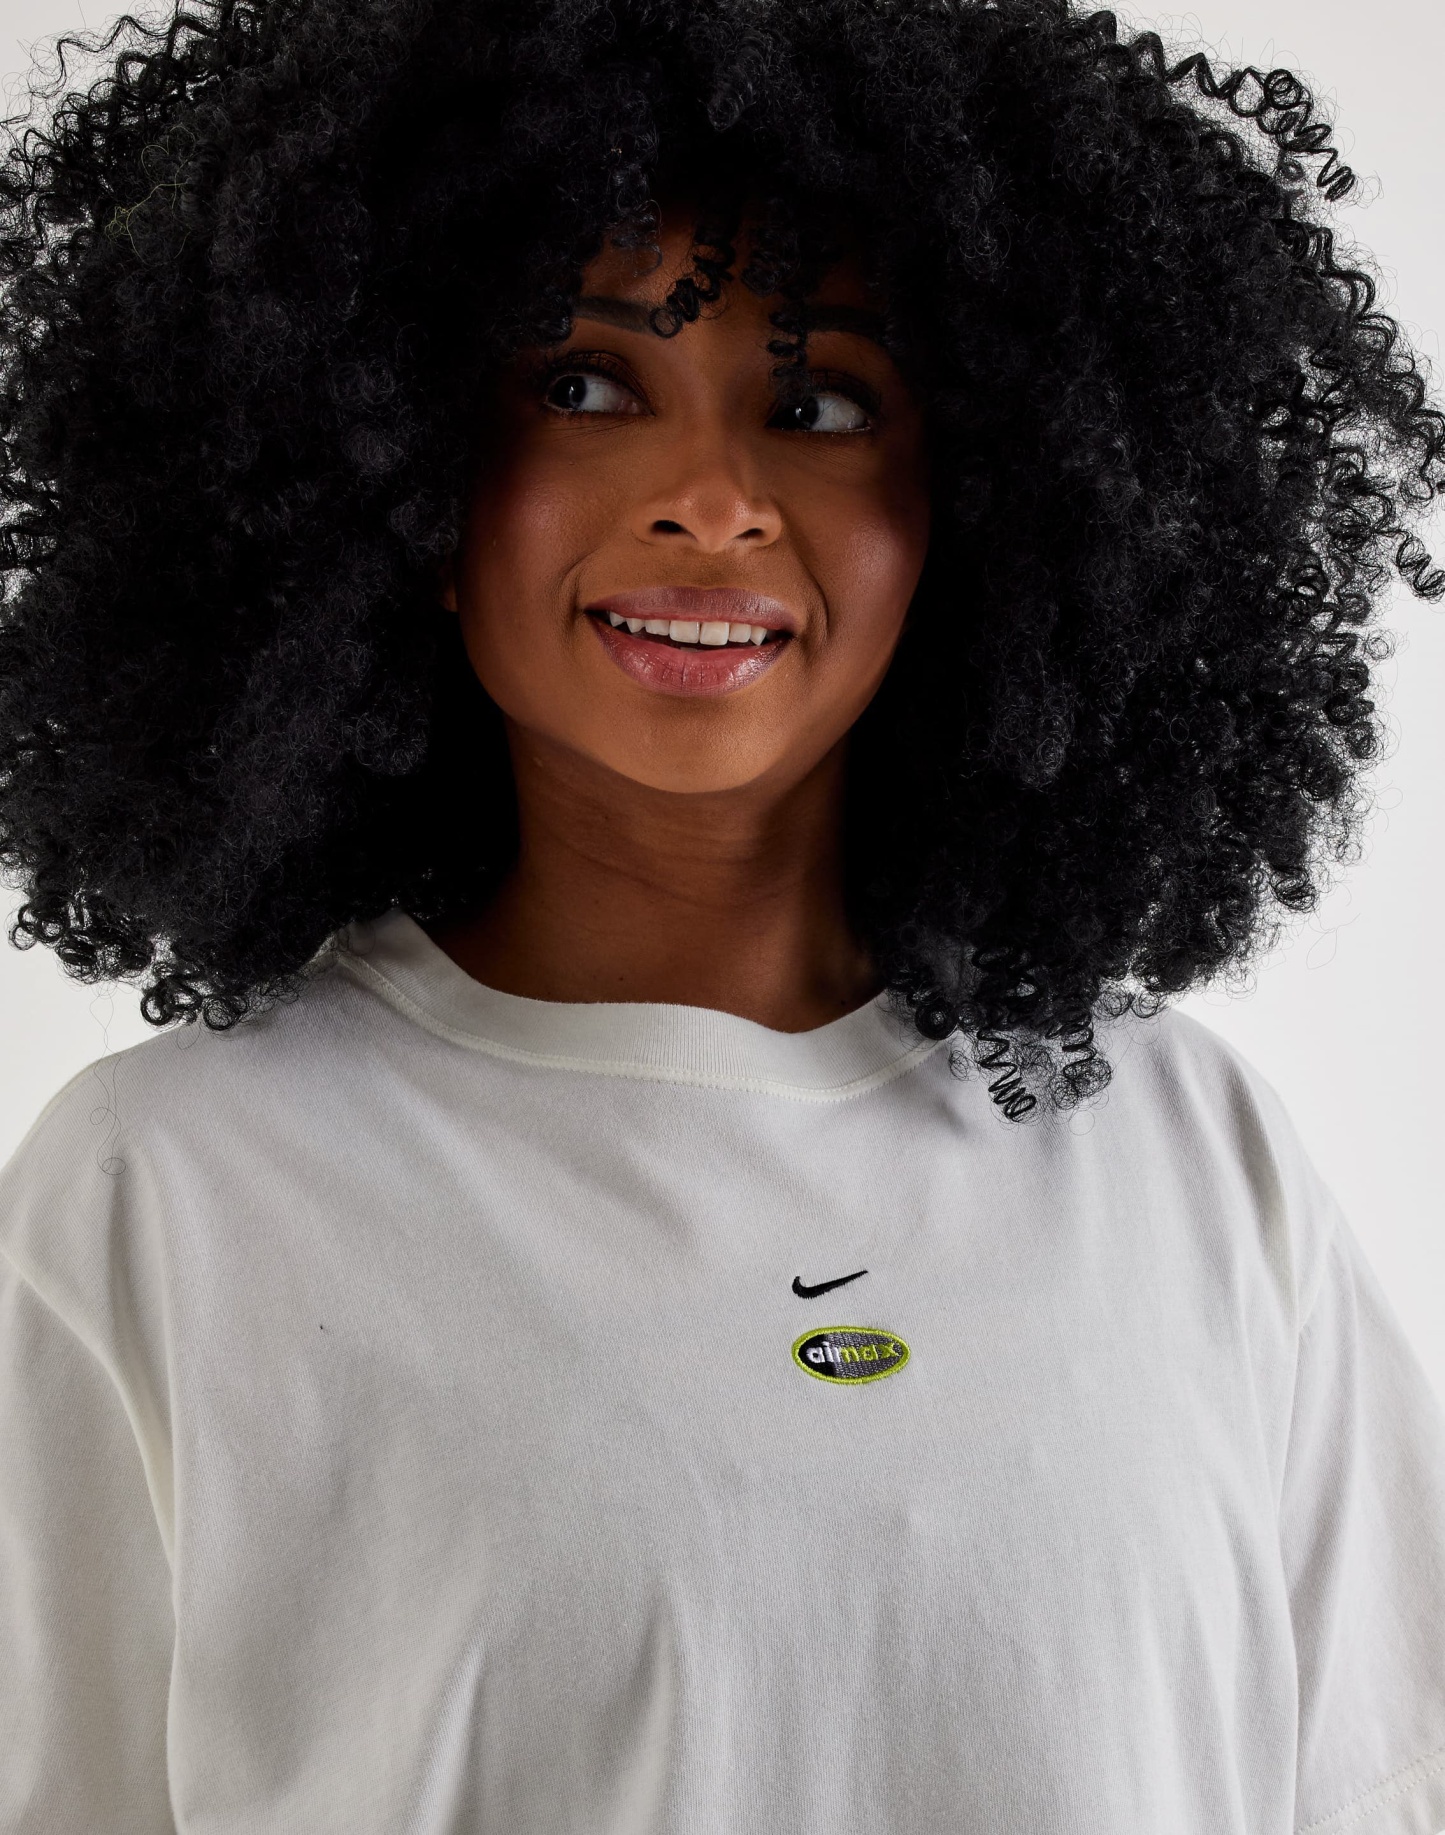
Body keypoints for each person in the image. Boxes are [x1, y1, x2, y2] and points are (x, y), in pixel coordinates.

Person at [1, 0, 1443, 1828]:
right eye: (583, 388)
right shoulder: (169, 1189)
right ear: (400, 473)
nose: (708, 504)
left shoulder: (1186, 1150)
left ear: (979, 505)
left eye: (818, 403)